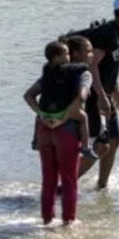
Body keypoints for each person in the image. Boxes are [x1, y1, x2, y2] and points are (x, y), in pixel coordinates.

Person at [71, 0, 119, 189]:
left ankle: (101, 187)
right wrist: (101, 97)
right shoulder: (108, 34)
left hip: (105, 93)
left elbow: (109, 66)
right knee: (102, 145)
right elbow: (92, 65)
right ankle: (65, 185)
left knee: (114, 141)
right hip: (95, 95)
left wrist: (116, 89)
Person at [23, 39, 93, 225]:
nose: (92, 55)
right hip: (67, 132)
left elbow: (29, 95)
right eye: (89, 51)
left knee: (48, 180)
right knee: (69, 181)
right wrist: (65, 116)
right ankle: (68, 222)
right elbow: (82, 95)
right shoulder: (83, 74)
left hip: (44, 130)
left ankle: (46, 220)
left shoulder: (48, 75)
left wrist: (42, 114)